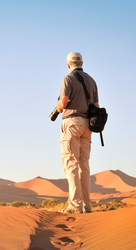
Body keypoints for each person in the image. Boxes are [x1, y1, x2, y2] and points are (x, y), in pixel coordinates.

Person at [56, 52, 99, 213]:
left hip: (72, 123)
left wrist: (58, 107)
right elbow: (96, 105)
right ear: (82, 63)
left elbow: (64, 102)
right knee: (84, 165)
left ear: (68, 65)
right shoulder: (92, 81)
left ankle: (75, 205)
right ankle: (87, 205)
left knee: (71, 164)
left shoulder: (68, 79)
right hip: (88, 125)